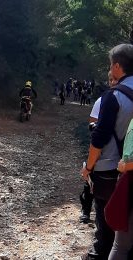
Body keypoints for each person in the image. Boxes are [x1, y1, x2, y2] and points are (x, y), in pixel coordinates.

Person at [80, 44, 133, 260]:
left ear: (118, 66)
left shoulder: (113, 97)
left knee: (106, 227)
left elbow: (98, 139)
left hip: (110, 172)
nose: (110, 71)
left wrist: (89, 167)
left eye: (111, 66)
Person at [80, 71, 118, 224]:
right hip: (104, 149)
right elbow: (93, 127)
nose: (113, 82)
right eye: (110, 79)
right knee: (90, 179)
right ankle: (86, 210)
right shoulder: (102, 101)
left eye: (115, 79)